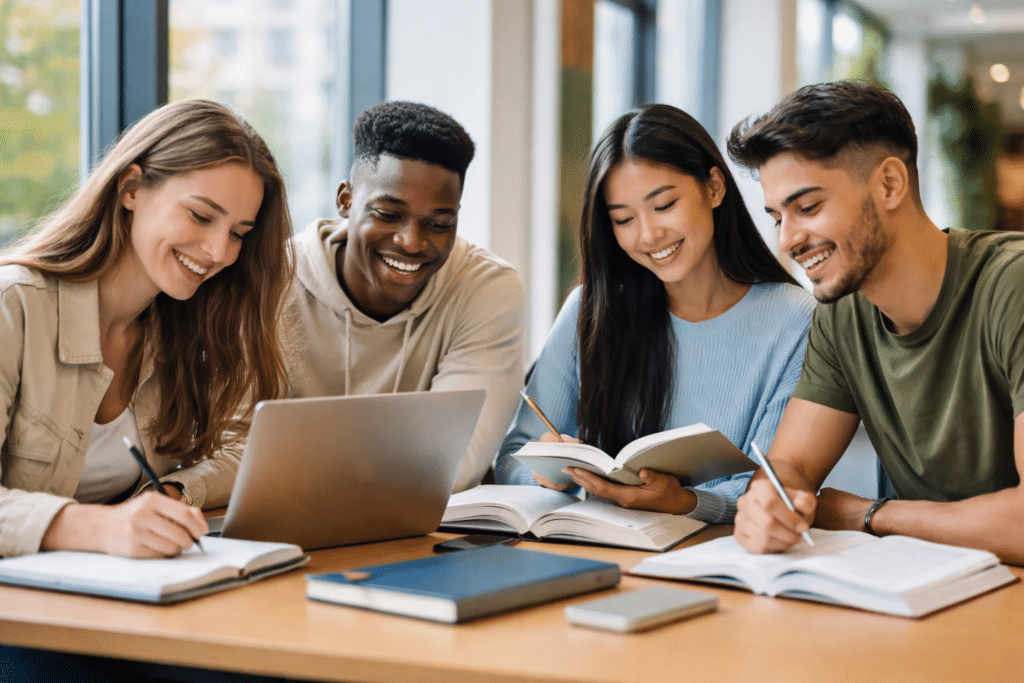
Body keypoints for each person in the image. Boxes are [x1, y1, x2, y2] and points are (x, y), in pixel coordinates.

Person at [727, 80, 1024, 563]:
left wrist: (871, 515)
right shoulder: (840, 314)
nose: (788, 240)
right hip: (923, 592)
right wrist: (768, 504)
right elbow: (790, 465)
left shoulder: (1013, 285)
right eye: (778, 217)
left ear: (889, 184)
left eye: (808, 207)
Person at [0, 99, 294, 560]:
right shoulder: (12, 306)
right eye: (200, 216)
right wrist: (97, 527)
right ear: (131, 188)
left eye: (238, 232)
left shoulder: (185, 324)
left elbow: (244, 448)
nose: (218, 252)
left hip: (119, 596)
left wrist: (175, 494)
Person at [494, 104, 815, 523]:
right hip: (598, 550)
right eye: (624, 219)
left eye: (663, 205)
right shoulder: (591, 309)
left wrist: (686, 502)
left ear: (714, 188)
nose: (648, 235)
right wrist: (551, 476)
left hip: (720, 555)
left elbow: (774, 484)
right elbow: (514, 455)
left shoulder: (795, 319)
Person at [283, 101, 524, 492]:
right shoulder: (272, 281)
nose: (412, 242)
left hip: (424, 533)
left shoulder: (487, 287)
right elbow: (233, 447)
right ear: (345, 200)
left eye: (439, 223)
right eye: (388, 214)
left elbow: (455, 463)